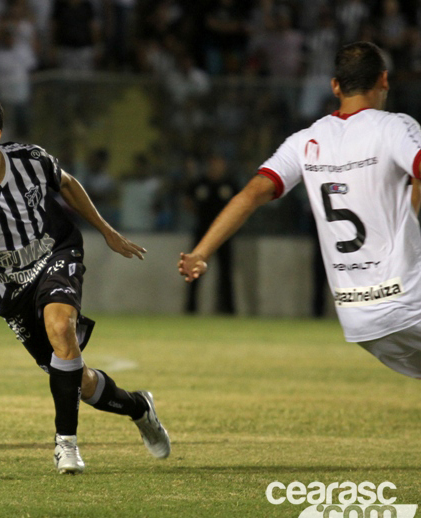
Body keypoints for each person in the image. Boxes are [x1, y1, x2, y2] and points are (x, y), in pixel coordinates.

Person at [0, 93, 171, 474]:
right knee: (79, 381)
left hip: (57, 252)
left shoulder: (30, 159)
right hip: (10, 291)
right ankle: (140, 408)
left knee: (61, 327)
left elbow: (67, 183)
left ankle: (66, 446)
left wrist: (106, 231)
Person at [179, 42, 421, 379]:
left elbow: (249, 195)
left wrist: (200, 253)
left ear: (335, 85)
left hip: (359, 317)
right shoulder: (395, 127)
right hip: (410, 300)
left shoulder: (305, 140)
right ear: (384, 80)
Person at [183, 154, 238, 314]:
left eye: (219, 164)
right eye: (213, 164)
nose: (216, 168)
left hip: (223, 235)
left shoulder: (229, 184)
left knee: (226, 272)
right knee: (194, 269)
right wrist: (198, 214)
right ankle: (191, 308)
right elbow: (187, 201)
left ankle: (228, 309)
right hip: (202, 233)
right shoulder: (200, 184)